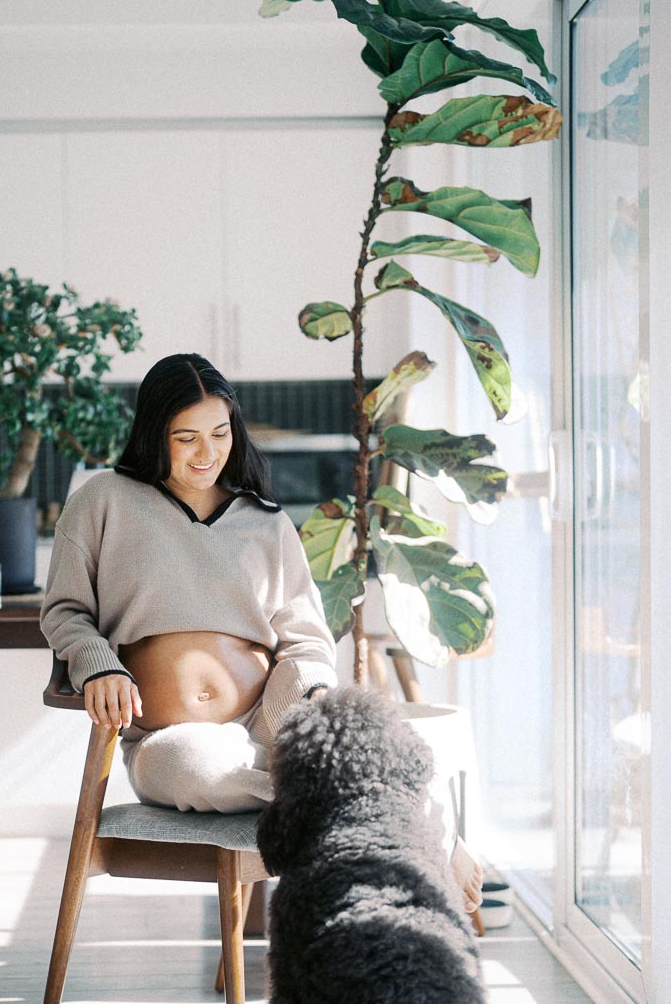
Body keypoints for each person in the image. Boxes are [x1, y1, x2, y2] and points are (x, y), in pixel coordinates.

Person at [40, 352, 483, 911]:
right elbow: (64, 612)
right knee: (199, 767)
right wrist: (97, 663)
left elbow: (306, 636)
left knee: (339, 712)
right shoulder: (102, 502)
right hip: (162, 737)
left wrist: (313, 684)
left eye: (220, 433)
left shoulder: (265, 521)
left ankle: (412, 816)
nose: (207, 453)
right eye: (187, 438)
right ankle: (373, 805)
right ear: (155, 434)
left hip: (268, 720)